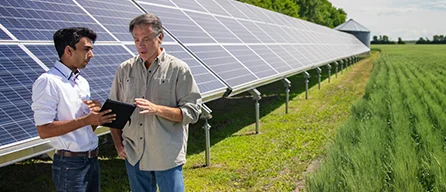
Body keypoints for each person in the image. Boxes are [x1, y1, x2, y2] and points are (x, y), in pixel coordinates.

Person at [109, 13, 202, 192]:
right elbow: (114, 111)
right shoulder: (124, 70)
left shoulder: (178, 69)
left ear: (160, 37)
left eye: (146, 39)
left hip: (165, 155)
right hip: (134, 154)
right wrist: (118, 145)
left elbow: (192, 112)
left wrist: (156, 109)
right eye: (136, 40)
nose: (140, 45)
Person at [31, 27, 116, 192]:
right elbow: (44, 130)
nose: (92, 55)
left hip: (91, 160)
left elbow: (86, 128)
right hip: (70, 165)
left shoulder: (82, 82)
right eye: (86, 50)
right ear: (68, 50)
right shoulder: (48, 82)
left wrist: (96, 117)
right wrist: (86, 120)